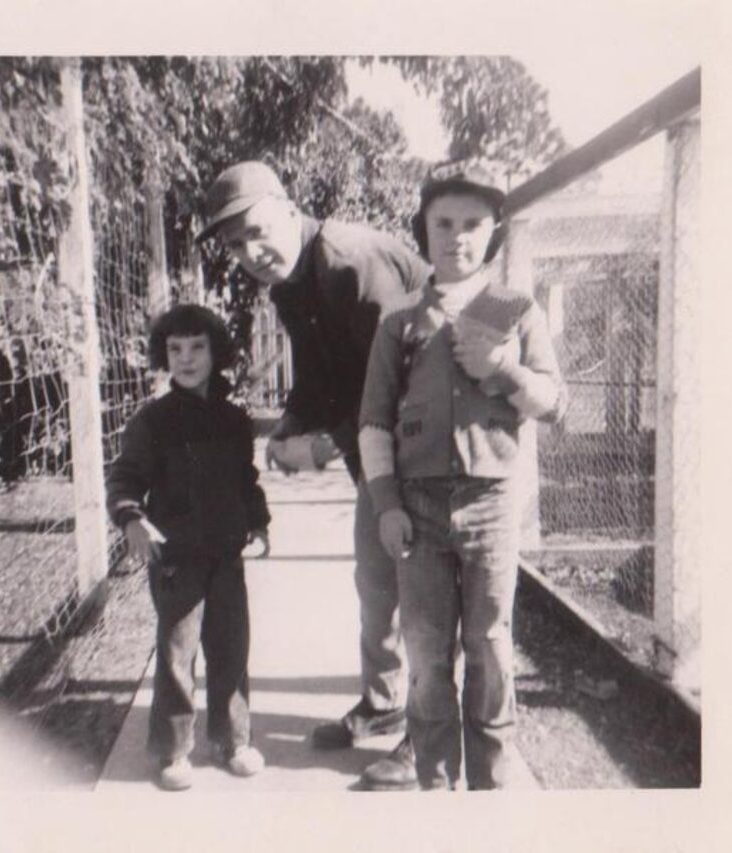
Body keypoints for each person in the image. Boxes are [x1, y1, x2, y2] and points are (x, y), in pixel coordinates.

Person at [198, 161, 432, 791]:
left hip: (433, 451)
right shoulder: (293, 280)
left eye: (255, 231)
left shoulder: (348, 262)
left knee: (424, 593)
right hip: (380, 455)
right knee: (376, 580)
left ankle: (431, 733)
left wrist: (326, 448)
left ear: (285, 203)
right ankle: (384, 702)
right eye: (234, 245)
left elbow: (409, 379)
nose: (250, 252)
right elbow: (322, 374)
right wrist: (292, 423)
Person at [358, 160, 567, 790]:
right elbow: (373, 424)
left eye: (473, 224)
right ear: (423, 228)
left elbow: (557, 404)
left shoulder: (514, 308)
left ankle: (492, 785)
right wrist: (387, 503)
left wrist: (505, 371)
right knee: (424, 652)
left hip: (491, 504)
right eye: (443, 222)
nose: (458, 237)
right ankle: (436, 780)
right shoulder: (399, 321)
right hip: (417, 508)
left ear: (494, 230)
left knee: (490, 645)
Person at [106, 304, 270, 791]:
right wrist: (131, 517)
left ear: (216, 351)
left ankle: (234, 739)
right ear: (164, 356)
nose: (187, 358)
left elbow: (248, 481)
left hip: (226, 555)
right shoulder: (153, 421)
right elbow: (125, 478)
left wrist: (259, 525)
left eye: (197, 346)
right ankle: (174, 750)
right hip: (175, 559)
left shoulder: (236, 421)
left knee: (231, 647)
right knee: (178, 653)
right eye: (175, 349)